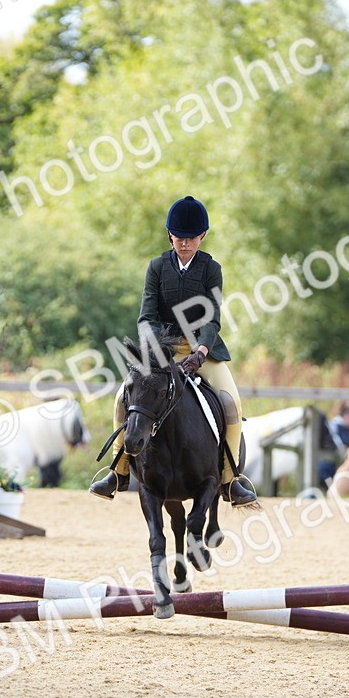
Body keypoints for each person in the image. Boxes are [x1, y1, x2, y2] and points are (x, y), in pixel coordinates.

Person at [88, 195, 258, 506]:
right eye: (179, 237)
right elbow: (147, 316)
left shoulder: (211, 269)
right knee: (121, 399)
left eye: (191, 237)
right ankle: (118, 471)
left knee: (232, 404)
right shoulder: (156, 267)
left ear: (202, 236)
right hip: (161, 351)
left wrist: (202, 351)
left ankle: (230, 480)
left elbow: (212, 316)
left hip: (201, 350)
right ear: (170, 235)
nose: (185, 243)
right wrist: (156, 349)